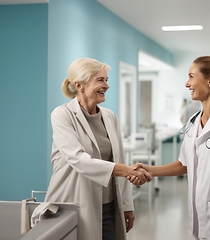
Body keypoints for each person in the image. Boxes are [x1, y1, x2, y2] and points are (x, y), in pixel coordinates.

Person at [131, 56, 210, 240]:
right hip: (198, 221)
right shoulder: (194, 121)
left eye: (191, 76)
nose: (187, 84)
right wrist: (151, 170)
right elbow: (184, 164)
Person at [44, 58, 152, 240]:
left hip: (109, 205)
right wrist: (127, 171)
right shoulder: (62, 115)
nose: (106, 86)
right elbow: (78, 159)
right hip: (74, 204)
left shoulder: (110, 116)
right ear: (80, 85)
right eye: (100, 80)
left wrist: (126, 205)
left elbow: (119, 160)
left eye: (106, 80)